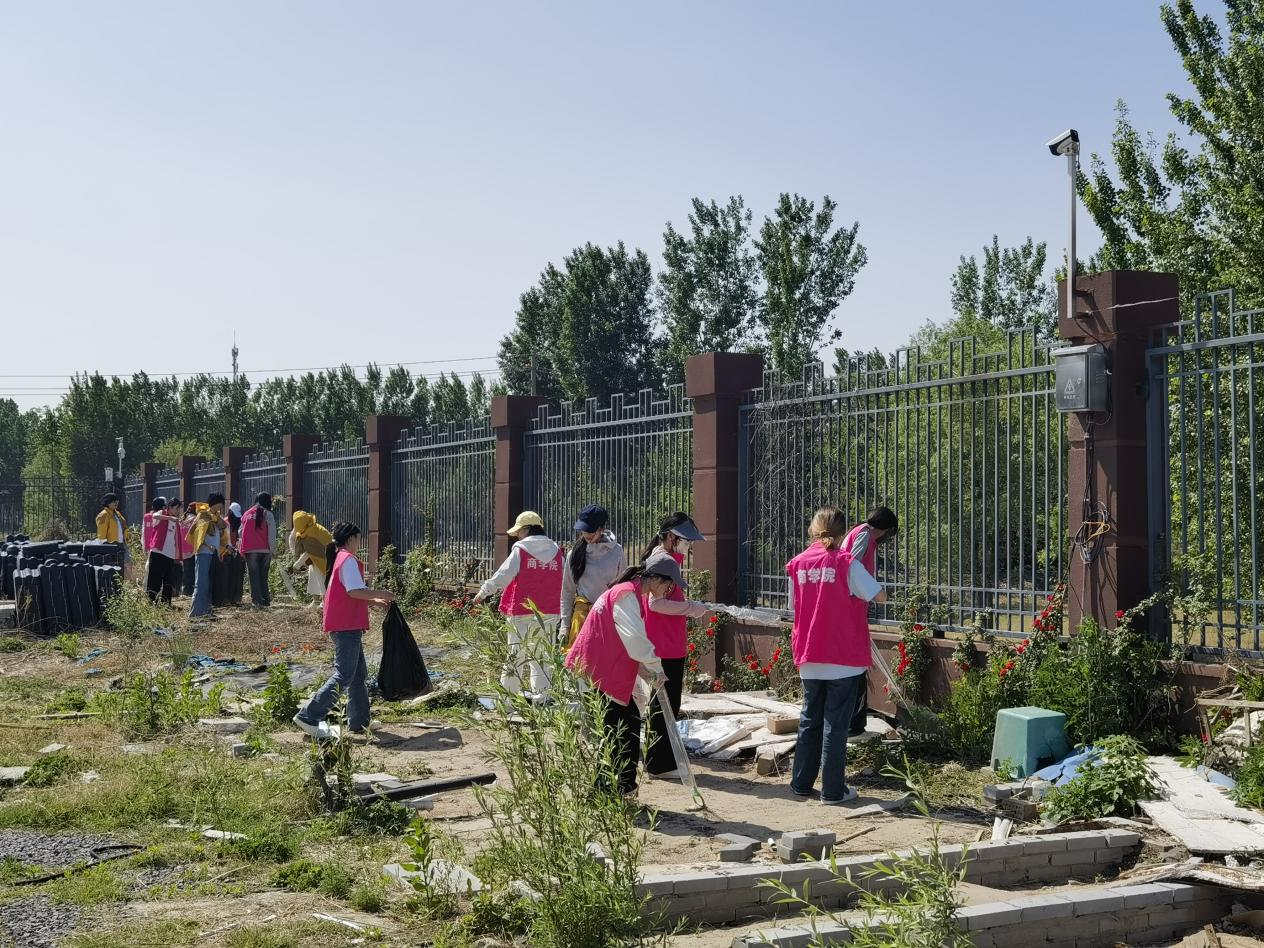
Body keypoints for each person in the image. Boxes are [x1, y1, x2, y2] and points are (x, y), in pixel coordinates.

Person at [787, 506, 887, 805]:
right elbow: (878, 595)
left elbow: (794, 605)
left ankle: (801, 783)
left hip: (809, 652)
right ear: (843, 533)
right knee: (836, 725)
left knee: (809, 720)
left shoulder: (797, 563)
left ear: (812, 529)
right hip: (843, 654)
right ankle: (832, 791)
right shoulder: (846, 562)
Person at [565, 551, 684, 799]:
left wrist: (647, 670)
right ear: (656, 579)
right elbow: (635, 639)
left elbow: (627, 640)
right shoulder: (626, 595)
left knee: (622, 726)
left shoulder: (629, 593)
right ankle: (615, 789)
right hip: (600, 669)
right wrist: (655, 667)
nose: (669, 590)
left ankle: (612, 788)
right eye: (669, 585)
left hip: (602, 667)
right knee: (622, 730)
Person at [292, 522, 395, 738]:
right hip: (346, 625)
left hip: (344, 623)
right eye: (359, 538)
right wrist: (381, 593)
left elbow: (348, 593)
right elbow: (354, 591)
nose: (360, 543)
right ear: (351, 539)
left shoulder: (340, 558)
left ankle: (359, 721)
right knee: (345, 674)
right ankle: (309, 715)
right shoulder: (347, 559)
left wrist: (374, 601)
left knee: (358, 675)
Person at [638, 513, 711, 779]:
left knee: (664, 703)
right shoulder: (664, 561)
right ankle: (660, 765)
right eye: (685, 541)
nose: (688, 546)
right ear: (671, 537)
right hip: (664, 644)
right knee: (666, 704)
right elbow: (656, 603)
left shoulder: (663, 558)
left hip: (664, 642)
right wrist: (691, 608)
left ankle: (659, 761)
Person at [473, 511, 563, 698]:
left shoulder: (521, 550)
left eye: (519, 531)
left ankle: (508, 699)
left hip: (521, 610)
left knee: (515, 654)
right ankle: (541, 699)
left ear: (527, 529)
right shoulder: (556, 552)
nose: (518, 536)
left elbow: (503, 576)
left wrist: (483, 592)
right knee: (542, 656)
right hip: (549, 611)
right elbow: (566, 580)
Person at [841, 506, 898, 736]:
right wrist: (868, 590)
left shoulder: (858, 532)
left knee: (855, 663)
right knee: (857, 664)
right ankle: (854, 723)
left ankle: (852, 721)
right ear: (886, 528)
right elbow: (851, 565)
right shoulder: (864, 534)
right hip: (852, 606)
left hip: (852, 605)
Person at [559, 504, 626, 649]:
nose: (587, 535)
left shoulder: (616, 552)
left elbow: (623, 590)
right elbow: (567, 592)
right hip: (582, 619)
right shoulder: (574, 554)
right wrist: (564, 626)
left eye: (590, 531)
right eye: (584, 530)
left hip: (607, 618)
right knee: (580, 661)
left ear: (602, 529)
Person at [188, 493, 228, 619]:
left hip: (213, 553)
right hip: (203, 553)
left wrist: (216, 516)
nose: (221, 507)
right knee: (201, 583)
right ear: (216, 503)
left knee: (209, 584)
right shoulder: (203, 515)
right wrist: (206, 545)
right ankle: (196, 613)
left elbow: (223, 526)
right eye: (221, 504)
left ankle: (207, 611)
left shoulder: (215, 517)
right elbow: (198, 535)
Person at [240, 493, 277, 609]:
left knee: (254, 576)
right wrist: (273, 550)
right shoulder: (268, 514)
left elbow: (241, 532)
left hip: (250, 550)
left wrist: (242, 548)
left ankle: (257, 602)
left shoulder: (247, 514)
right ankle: (266, 601)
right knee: (263, 576)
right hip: (265, 550)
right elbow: (272, 534)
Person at [145, 497, 184, 606]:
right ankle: (151, 601)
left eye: (179, 509)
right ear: (170, 507)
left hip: (170, 554)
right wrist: (169, 518)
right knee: (155, 578)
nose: (178, 511)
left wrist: (178, 556)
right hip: (158, 552)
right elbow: (154, 516)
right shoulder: (162, 513)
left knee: (168, 580)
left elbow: (176, 540)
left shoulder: (176, 521)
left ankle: (166, 604)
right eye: (176, 508)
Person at [290, 511, 333, 601]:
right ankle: (315, 600)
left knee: (322, 580)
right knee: (313, 578)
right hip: (316, 559)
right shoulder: (308, 529)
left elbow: (309, 552)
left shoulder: (312, 533)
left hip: (323, 558)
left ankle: (324, 602)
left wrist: (297, 565)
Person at [94, 493, 128, 562]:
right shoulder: (103, 515)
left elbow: (124, 527)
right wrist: (105, 547)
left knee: (121, 565)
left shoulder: (117, 513)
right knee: (113, 565)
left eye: (117, 501)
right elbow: (101, 533)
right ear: (108, 503)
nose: (117, 503)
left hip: (120, 544)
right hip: (110, 545)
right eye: (114, 501)